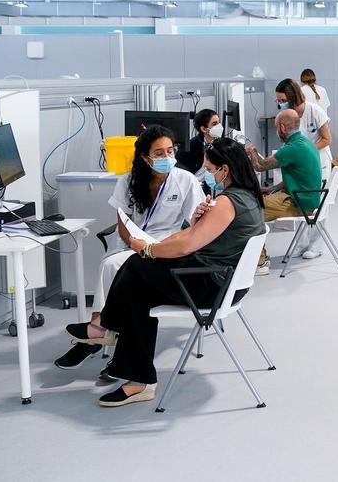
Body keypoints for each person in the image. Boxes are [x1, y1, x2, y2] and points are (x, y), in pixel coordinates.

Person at [63, 138, 264, 407]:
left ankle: (107, 330)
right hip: (225, 281)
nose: (207, 175)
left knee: (135, 265)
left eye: (209, 168)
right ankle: (136, 378)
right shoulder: (248, 197)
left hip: (212, 284)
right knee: (138, 293)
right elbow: (195, 235)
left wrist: (147, 250)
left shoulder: (227, 202)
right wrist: (194, 223)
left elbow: (188, 245)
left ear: (224, 170)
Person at [53, 125, 205, 376]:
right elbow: (122, 222)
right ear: (145, 157)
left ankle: (98, 333)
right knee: (114, 264)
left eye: (170, 151)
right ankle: (101, 333)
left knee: (116, 267)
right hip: (132, 242)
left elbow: (196, 223)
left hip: (165, 245)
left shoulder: (185, 180)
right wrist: (134, 244)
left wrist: (157, 246)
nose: (167, 157)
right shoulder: (128, 181)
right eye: (159, 153)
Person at [248, 109, 325, 274]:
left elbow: (260, 165)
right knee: (256, 203)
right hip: (304, 196)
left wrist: (251, 151)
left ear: (282, 127)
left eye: (276, 127)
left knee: (252, 211)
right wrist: (272, 188)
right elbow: (299, 176)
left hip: (299, 202)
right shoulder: (306, 142)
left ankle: (260, 263)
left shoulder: (292, 148)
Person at [274, 78, 333, 178]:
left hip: (319, 159)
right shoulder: (285, 115)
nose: (281, 104)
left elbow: (327, 139)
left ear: (293, 97)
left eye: (283, 100)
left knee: (316, 190)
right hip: (300, 161)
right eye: (278, 101)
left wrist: (306, 150)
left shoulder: (315, 111)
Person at [179, 108, 250, 183]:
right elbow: (183, 176)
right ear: (204, 129)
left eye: (219, 122)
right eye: (214, 124)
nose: (219, 126)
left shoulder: (218, 144)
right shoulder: (191, 148)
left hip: (205, 185)